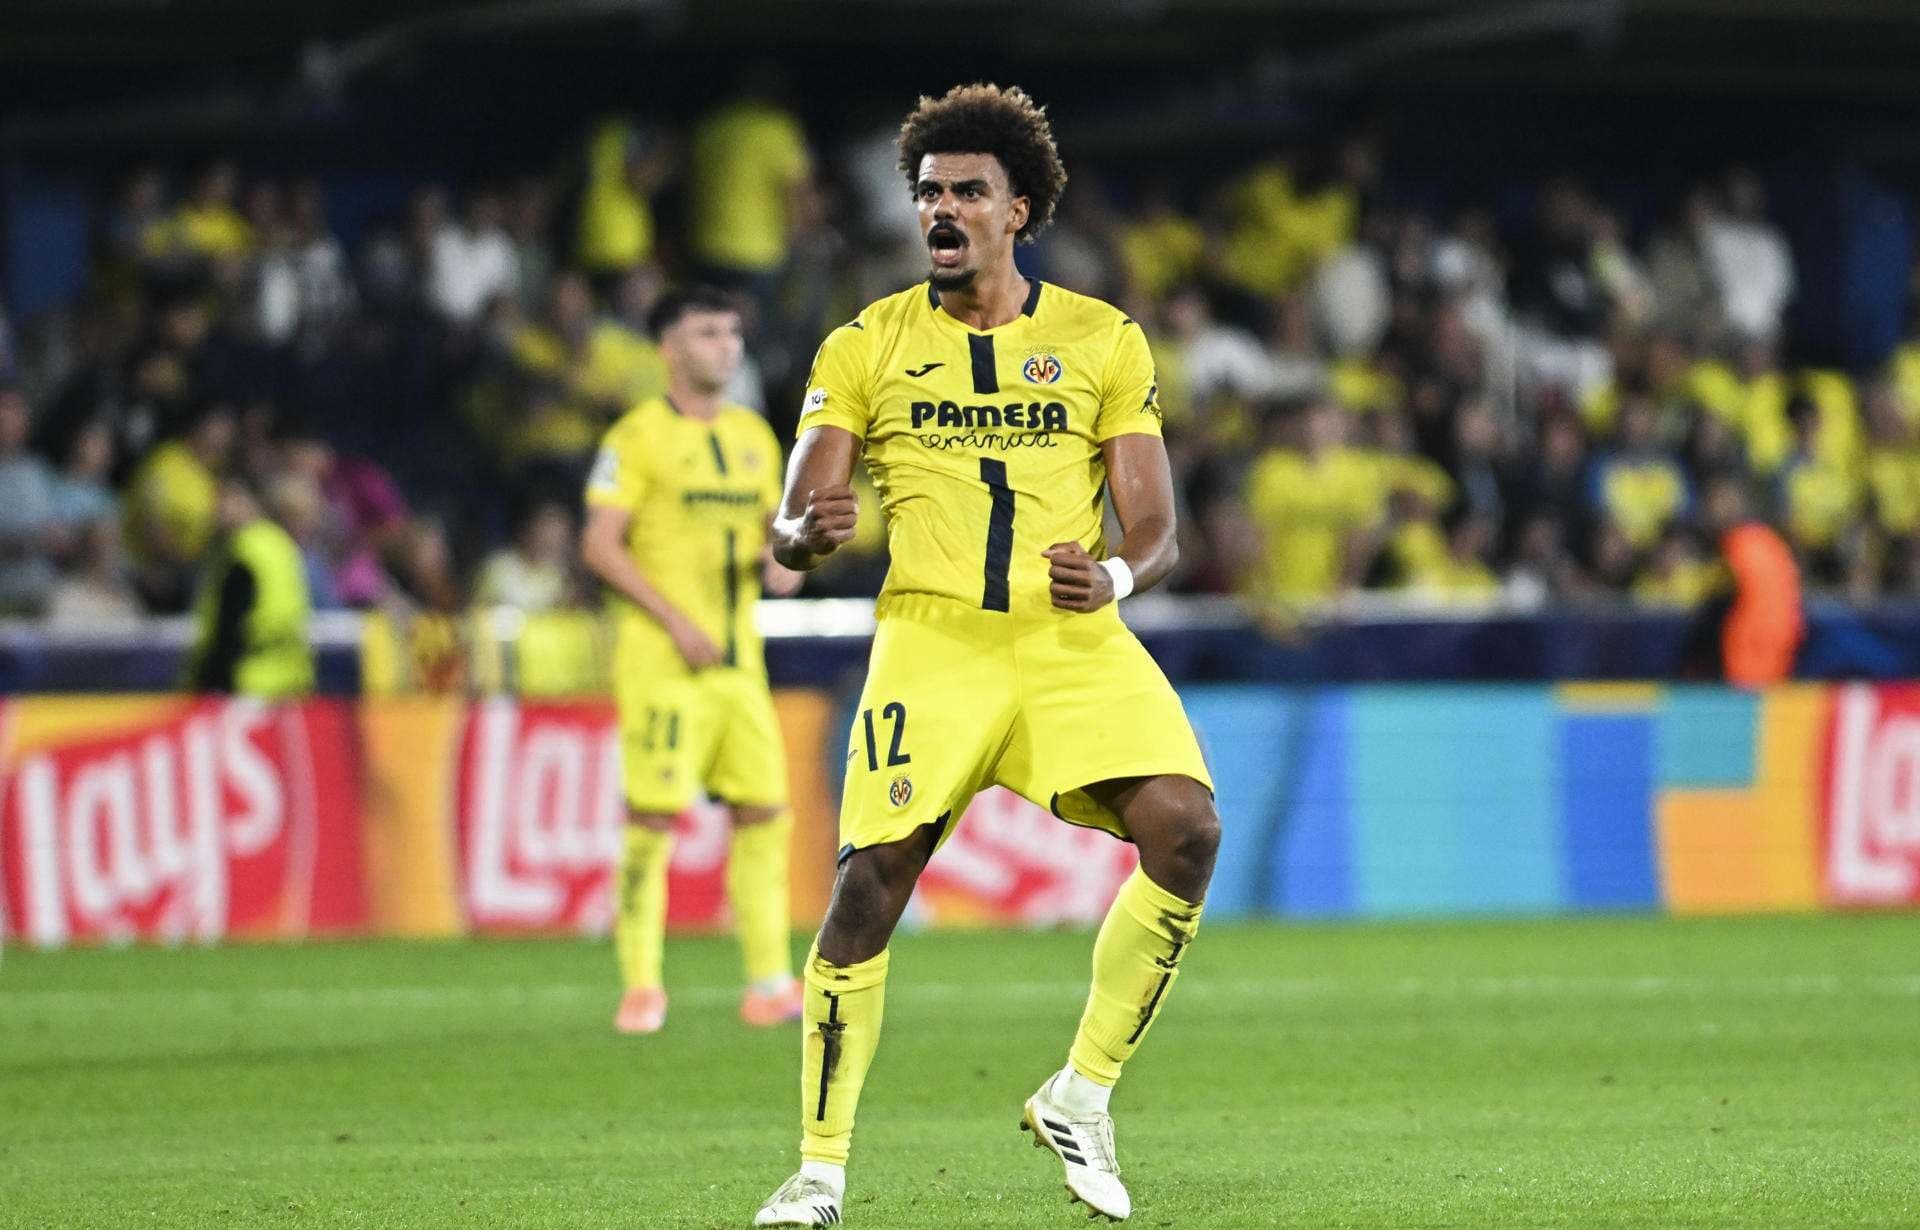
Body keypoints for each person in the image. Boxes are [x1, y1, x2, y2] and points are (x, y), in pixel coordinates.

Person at [753, 84, 1219, 1227]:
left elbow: (1158, 529)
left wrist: (1114, 578)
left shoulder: (1102, 339)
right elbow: (796, 511)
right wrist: (804, 532)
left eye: (969, 191)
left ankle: (1081, 1095)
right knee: (867, 888)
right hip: (935, 641)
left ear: (1019, 210)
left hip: (1070, 639)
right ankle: (818, 1173)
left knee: (1188, 828)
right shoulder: (866, 343)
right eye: (929, 193)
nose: (942, 209)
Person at [580, 286, 805, 1037]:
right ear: (668, 347)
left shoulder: (753, 435)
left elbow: (778, 533)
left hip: (739, 663)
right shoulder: (635, 437)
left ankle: (768, 982)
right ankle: (641, 987)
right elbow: (599, 546)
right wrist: (674, 619)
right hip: (663, 661)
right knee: (652, 818)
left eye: (732, 333)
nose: (725, 346)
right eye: (707, 333)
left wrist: (787, 560)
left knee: (763, 813)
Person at [186, 475, 315, 699]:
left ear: (248, 500)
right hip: (291, 680)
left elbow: (229, 629)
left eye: (227, 499)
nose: (218, 509)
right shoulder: (280, 543)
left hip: (247, 683)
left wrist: (206, 683)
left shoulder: (242, 552)